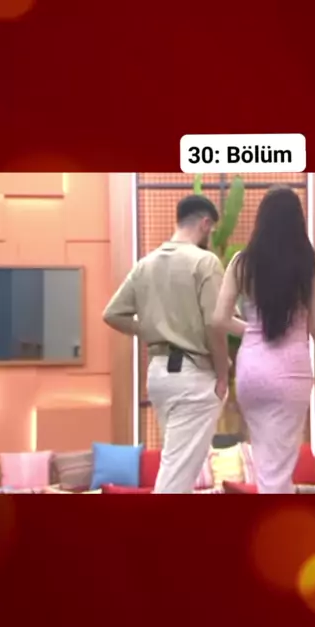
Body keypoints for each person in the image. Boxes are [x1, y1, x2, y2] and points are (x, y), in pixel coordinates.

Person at [103, 194, 236, 493]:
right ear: (205, 223)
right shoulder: (204, 262)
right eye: (212, 229)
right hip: (194, 376)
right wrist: (223, 375)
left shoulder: (145, 265)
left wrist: (149, 330)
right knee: (177, 476)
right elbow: (215, 323)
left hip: (159, 374)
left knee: (175, 464)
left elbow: (112, 314)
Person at [211, 185, 315, 494]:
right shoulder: (310, 262)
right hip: (291, 371)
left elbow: (219, 319)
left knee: (266, 460)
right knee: (279, 465)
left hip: (252, 371)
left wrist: (253, 331)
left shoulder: (242, 263)